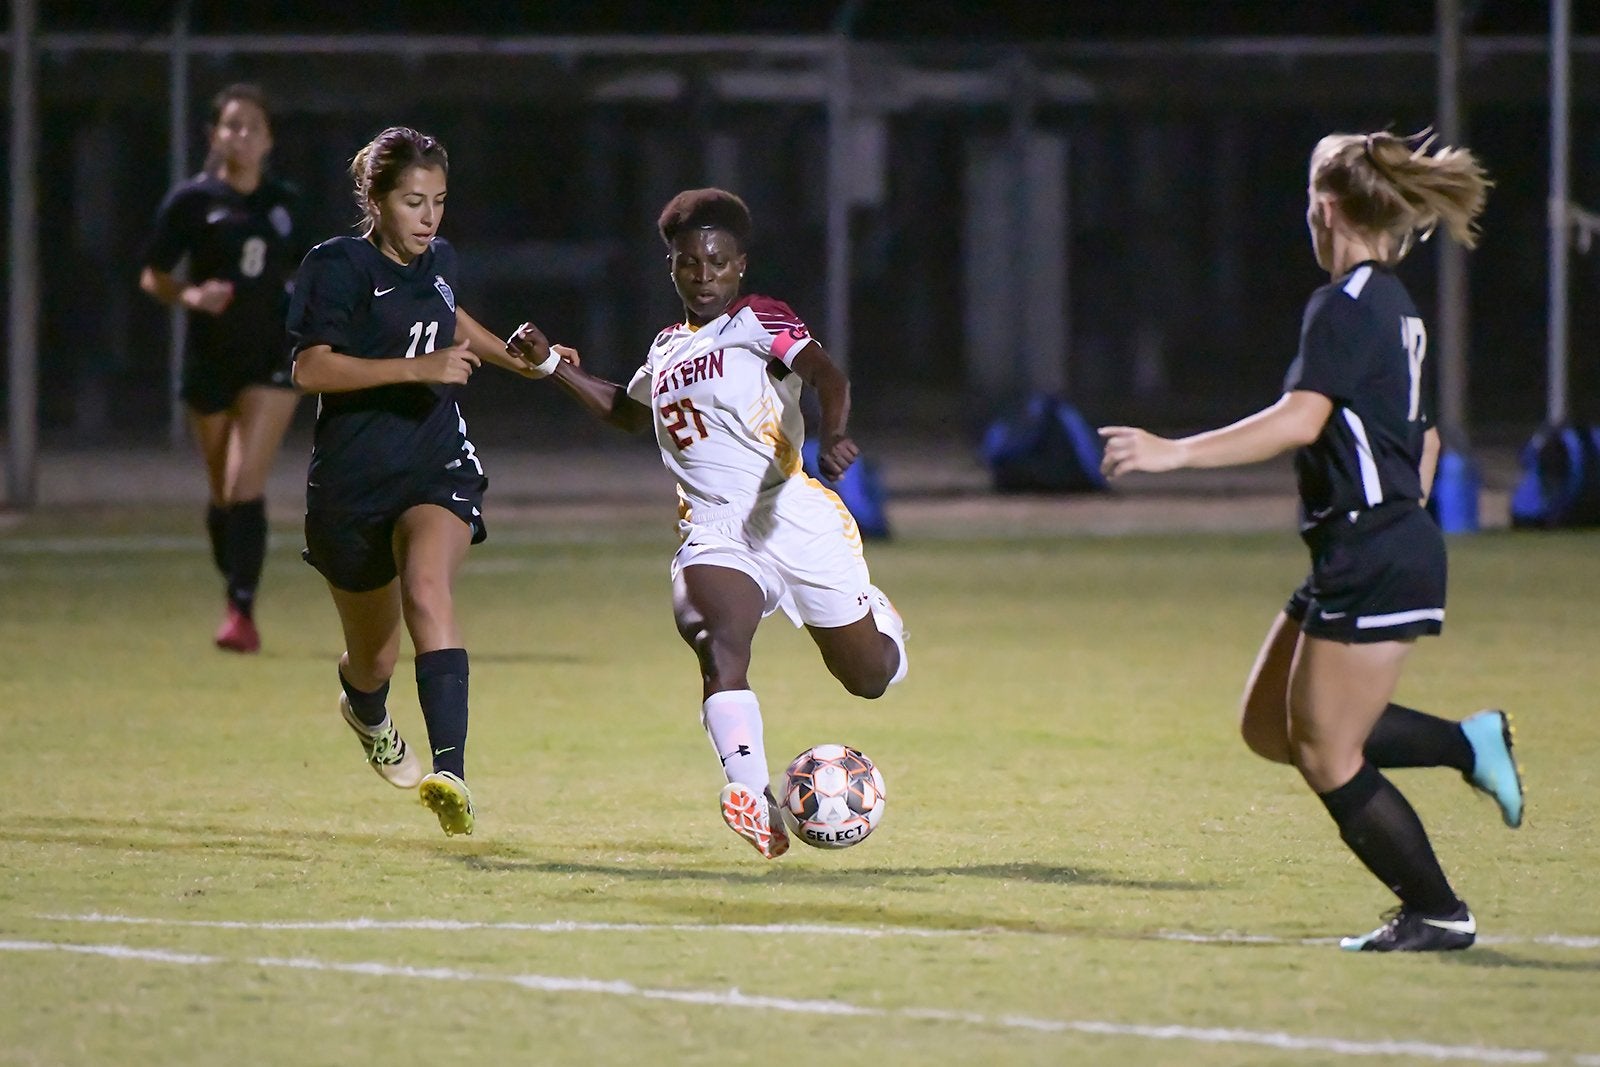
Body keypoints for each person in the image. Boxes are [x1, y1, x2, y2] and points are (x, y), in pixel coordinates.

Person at [1098, 130, 1522, 952]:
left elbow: (1303, 418)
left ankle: (1437, 909)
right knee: (1271, 726)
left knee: (1328, 750)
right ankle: (1466, 742)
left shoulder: (1346, 305)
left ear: (1324, 209)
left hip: (1374, 551)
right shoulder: (1394, 307)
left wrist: (1172, 450)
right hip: (1363, 546)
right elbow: (1424, 440)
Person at [512, 188, 907, 859]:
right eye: (689, 263)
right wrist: (552, 367)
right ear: (672, 268)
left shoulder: (759, 319)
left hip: (790, 511)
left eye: (718, 262)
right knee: (716, 638)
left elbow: (827, 375)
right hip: (715, 529)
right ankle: (751, 794)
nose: (704, 276)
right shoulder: (666, 347)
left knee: (869, 676)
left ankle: (877, 616)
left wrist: (836, 434)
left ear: (740, 266)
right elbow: (631, 412)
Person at [287, 126, 556, 836]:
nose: (429, 216)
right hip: (351, 485)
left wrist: (526, 360)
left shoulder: (441, 260)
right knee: (373, 658)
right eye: (413, 201)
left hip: (434, 462)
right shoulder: (337, 266)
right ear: (375, 201)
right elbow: (311, 368)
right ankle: (366, 711)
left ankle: (451, 775)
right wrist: (419, 367)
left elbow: (449, 315)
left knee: (428, 588)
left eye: (438, 200)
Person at [139, 83, 303, 654]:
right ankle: (233, 580)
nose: (242, 135)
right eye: (231, 126)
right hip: (210, 360)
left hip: (272, 358)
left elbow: (312, 274)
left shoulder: (286, 203)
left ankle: (241, 614)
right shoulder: (191, 201)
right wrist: (191, 297)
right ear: (213, 136)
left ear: (268, 139)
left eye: (253, 126)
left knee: (244, 484)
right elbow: (153, 275)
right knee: (221, 495)